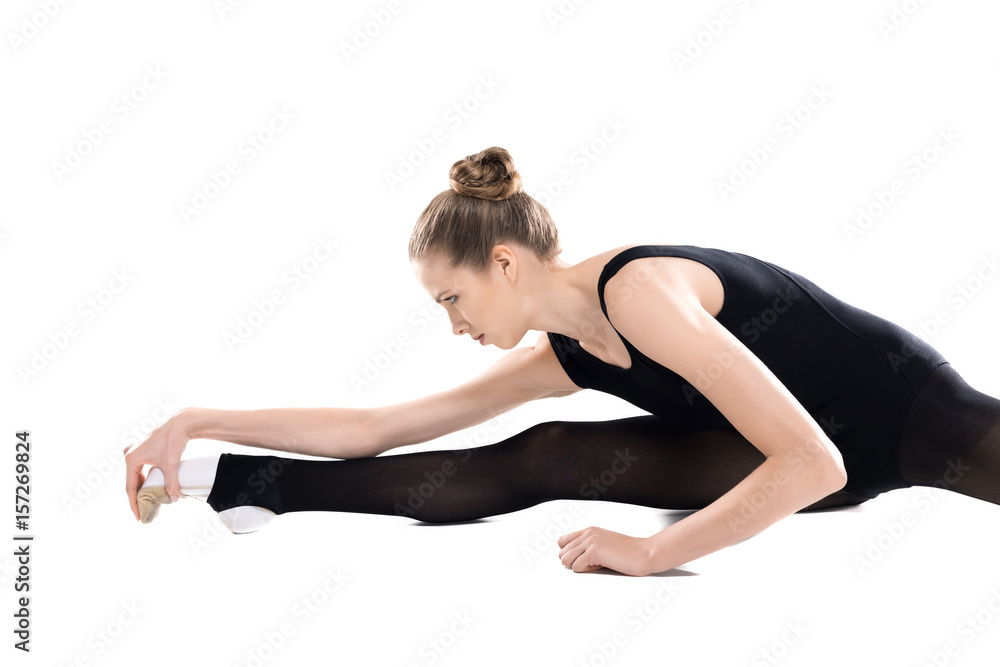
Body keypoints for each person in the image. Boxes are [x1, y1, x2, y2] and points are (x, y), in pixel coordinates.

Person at [124, 146, 1000, 577]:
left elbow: (813, 460)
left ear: (504, 263)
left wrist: (651, 555)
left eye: (453, 300)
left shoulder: (642, 292)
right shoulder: (571, 352)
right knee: (546, 454)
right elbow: (375, 426)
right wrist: (196, 420)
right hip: (808, 455)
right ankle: (249, 483)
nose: (454, 325)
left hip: (912, 417)